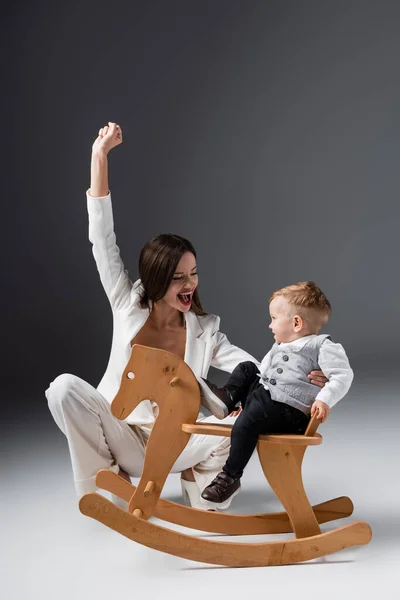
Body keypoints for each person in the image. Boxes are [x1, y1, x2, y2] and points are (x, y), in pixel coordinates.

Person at [46, 123, 328, 511]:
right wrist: (99, 156)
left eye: (193, 274)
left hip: (178, 444)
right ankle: (104, 478)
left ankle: (203, 475)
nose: (189, 284)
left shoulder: (205, 329)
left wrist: (303, 370)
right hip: (123, 435)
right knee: (63, 389)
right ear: (157, 278)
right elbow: (102, 239)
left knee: (245, 416)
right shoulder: (127, 304)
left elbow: (253, 365)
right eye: (178, 277)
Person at [201, 281, 353, 508]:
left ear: (296, 323)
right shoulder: (279, 346)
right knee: (247, 367)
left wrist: (324, 398)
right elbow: (263, 375)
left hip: (289, 412)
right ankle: (228, 398)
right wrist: (248, 399)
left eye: (273, 318)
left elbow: (343, 375)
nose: (270, 325)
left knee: (248, 420)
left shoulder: (321, 346)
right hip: (268, 402)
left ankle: (230, 477)